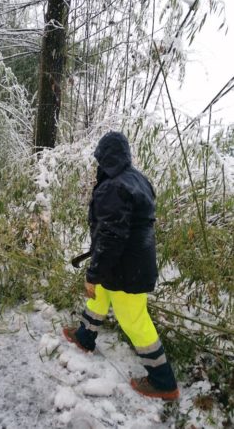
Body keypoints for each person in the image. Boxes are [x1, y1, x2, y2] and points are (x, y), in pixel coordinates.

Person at [63, 131, 179, 401]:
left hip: (127, 269)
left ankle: (163, 382)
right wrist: (99, 272)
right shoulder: (137, 179)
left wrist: (93, 273)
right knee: (100, 293)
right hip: (130, 262)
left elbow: (112, 237)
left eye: (99, 159)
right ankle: (85, 336)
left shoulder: (113, 186)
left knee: (134, 319)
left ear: (105, 158)